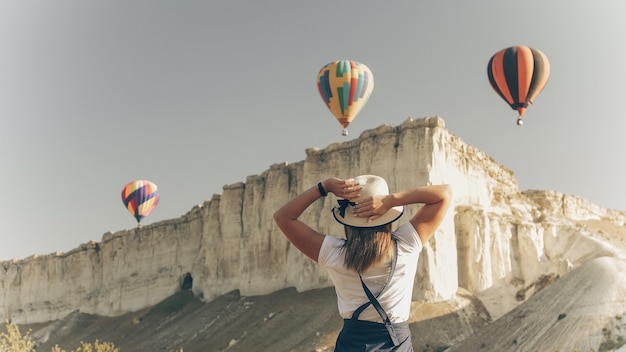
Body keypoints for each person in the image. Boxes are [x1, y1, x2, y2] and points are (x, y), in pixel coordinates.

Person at [273, 175, 452, 351]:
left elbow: (283, 217)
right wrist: (391, 201)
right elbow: (444, 194)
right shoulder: (406, 245)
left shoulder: (334, 253)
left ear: (348, 222)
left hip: (351, 345)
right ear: (387, 217)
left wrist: (324, 186)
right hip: (396, 345)